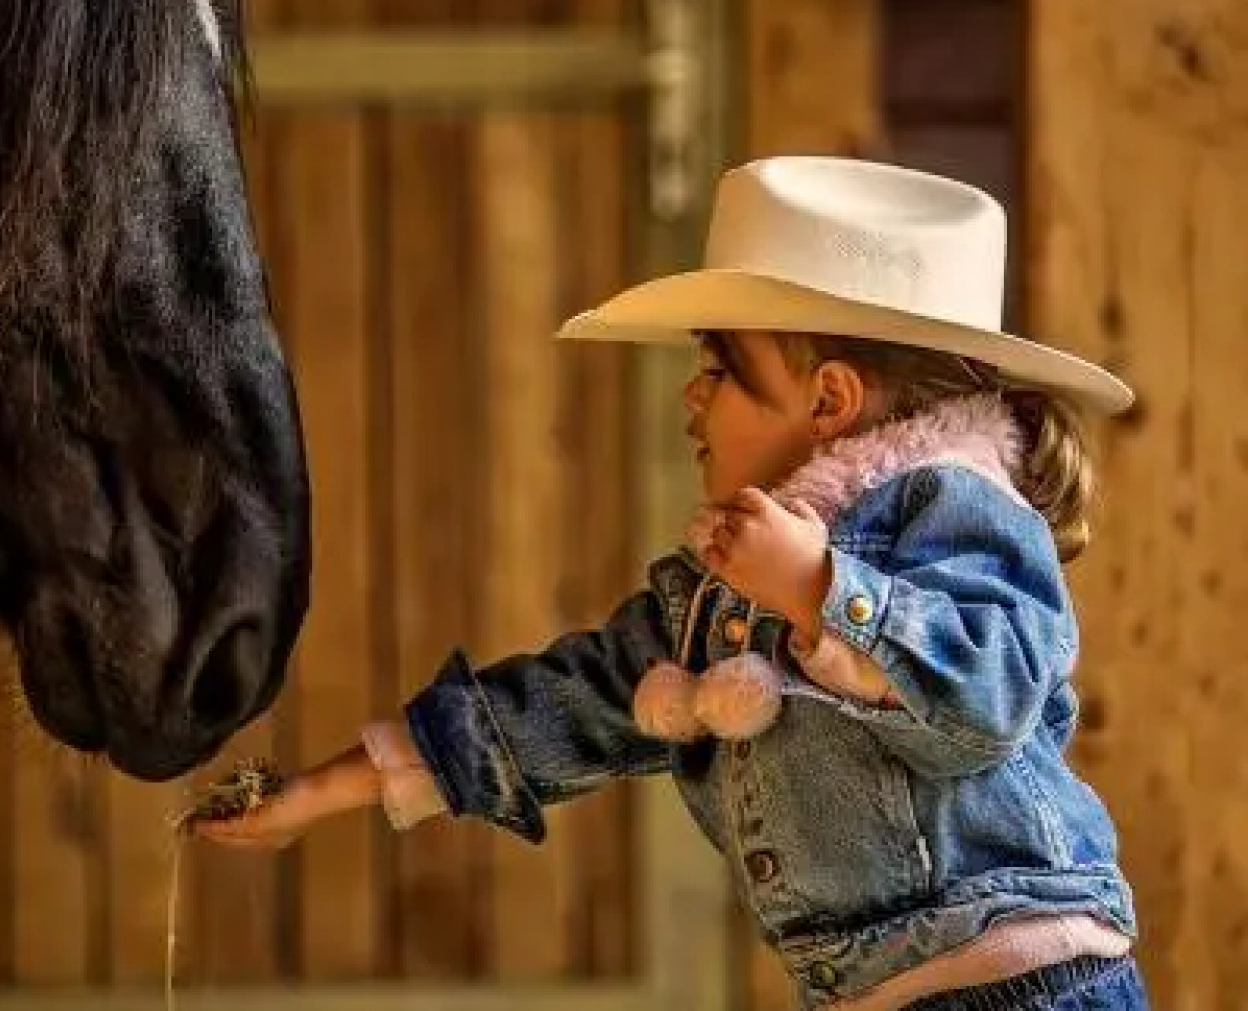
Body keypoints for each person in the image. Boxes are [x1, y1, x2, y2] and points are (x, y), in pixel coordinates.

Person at [194, 156, 1148, 1010]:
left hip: (1027, 986)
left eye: (718, 371)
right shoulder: (716, 597)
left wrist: (819, 588)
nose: (691, 397)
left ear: (828, 400)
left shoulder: (951, 506)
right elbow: (558, 708)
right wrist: (319, 793)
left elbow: (989, 698)